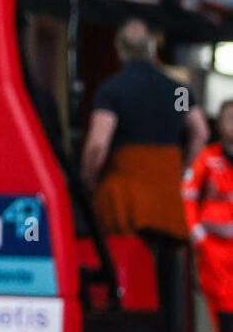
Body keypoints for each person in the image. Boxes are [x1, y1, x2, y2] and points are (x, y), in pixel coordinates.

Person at [81, 18, 206, 239]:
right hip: (168, 196)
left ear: (119, 48)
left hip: (126, 200)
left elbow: (98, 145)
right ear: (151, 47)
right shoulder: (178, 91)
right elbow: (200, 132)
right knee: (168, 264)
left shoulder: (112, 90)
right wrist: (183, 167)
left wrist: (88, 178)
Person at [183, 100, 233, 332]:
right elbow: (188, 193)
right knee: (220, 292)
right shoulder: (207, 158)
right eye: (229, 119)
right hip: (214, 241)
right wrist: (196, 230)